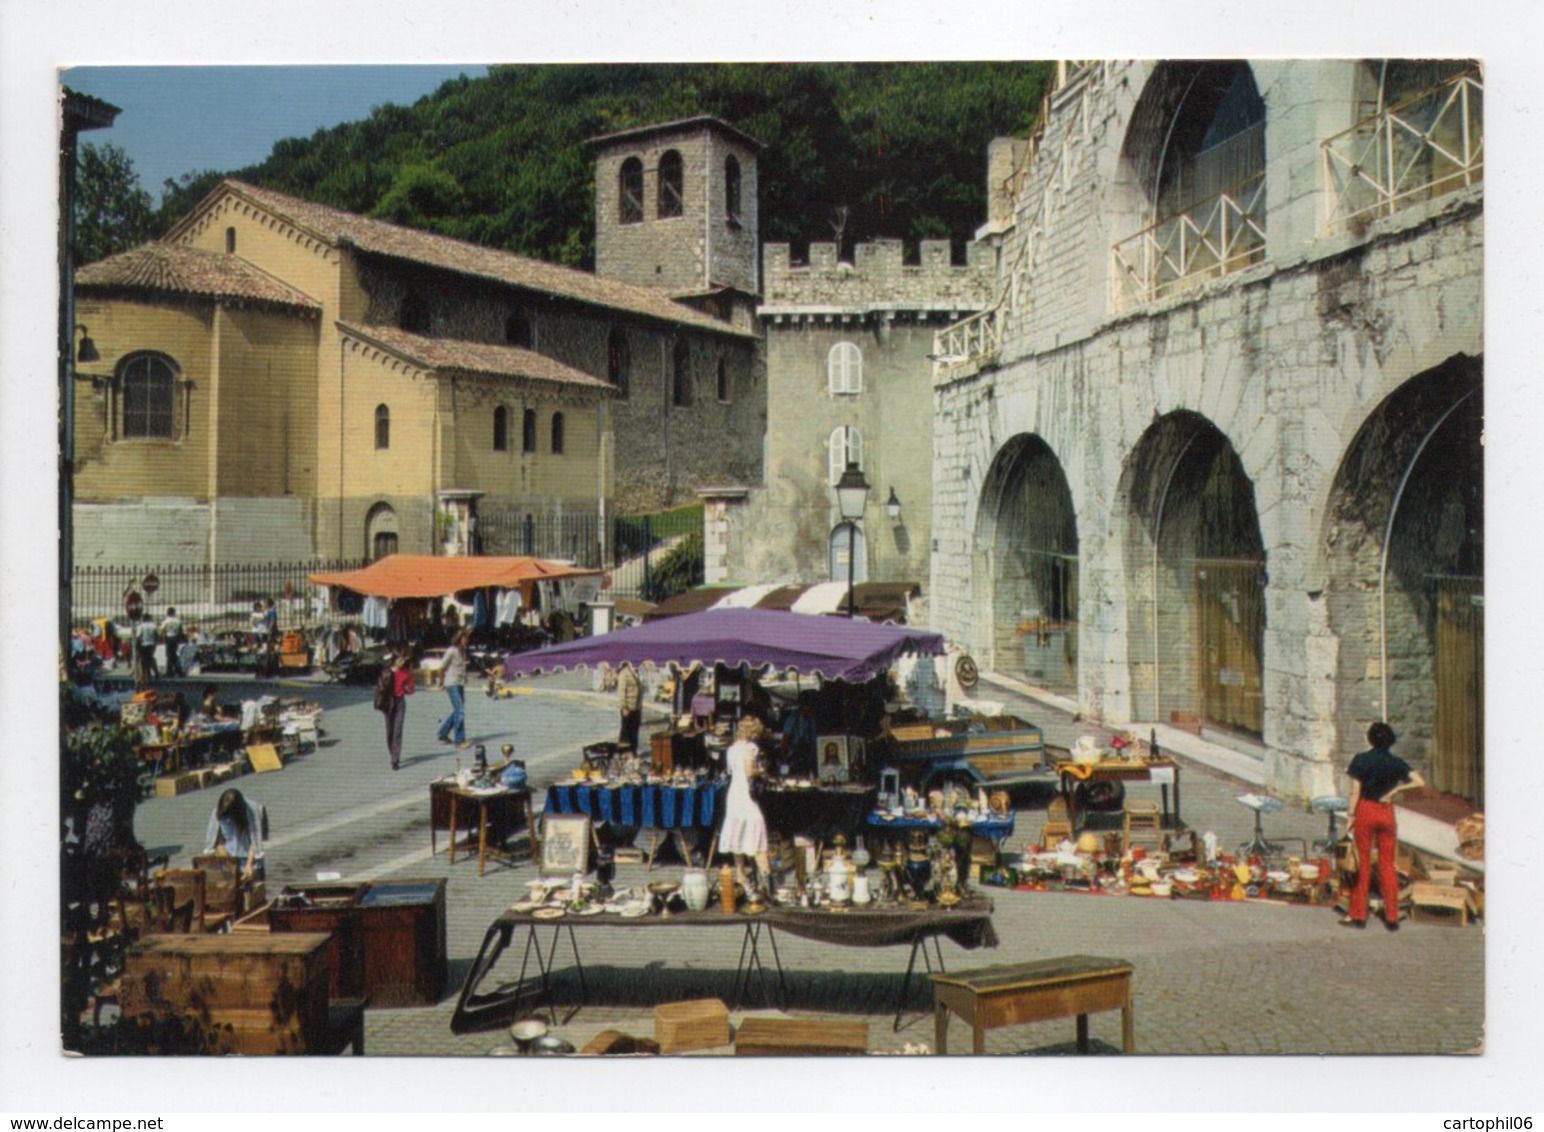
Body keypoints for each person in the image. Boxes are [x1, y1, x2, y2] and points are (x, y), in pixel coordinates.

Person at [1341, 721, 1425, 931]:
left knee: (1363, 864)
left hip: (1365, 810)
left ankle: (1358, 915)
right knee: (1388, 865)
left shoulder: (1361, 760)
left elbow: (1355, 791)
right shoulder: (1396, 762)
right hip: (1386, 812)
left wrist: (1350, 815)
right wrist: (1395, 792)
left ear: (1370, 739)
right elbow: (1419, 782)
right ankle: (1392, 916)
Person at [717, 715, 772, 898]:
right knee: (758, 832)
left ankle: (741, 875)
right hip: (746, 796)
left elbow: (733, 771)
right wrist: (762, 771)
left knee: (737, 832)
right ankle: (766, 879)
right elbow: (749, 771)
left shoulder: (732, 749)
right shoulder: (751, 748)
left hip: (734, 794)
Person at [204, 788, 268, 882]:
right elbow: (216, 842)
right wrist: (228, 862)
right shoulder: (219, 812)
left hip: (251, 861)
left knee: (253, 892)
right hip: (229, 861)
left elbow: (255, 842)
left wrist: (249, 865)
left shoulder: (254, 811)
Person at [376, 648, 416, 771]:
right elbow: (380, 687)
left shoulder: (406, 672)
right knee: (390, 730)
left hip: (399, 702)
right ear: (394, 660)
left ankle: (395, 759)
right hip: (389, 702)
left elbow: (411, 688)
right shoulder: (387, 671)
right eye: (400, 659)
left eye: (403, 659)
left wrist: (407, 689)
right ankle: (392, 751)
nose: (402, 662)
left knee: (397, 731)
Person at [436, 628, 472, 749]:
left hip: (460, 683)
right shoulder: (452, 651)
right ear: (459, 638)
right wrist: (440, 682)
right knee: (460, 709)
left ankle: (442, 733)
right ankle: (460, 740)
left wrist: (465, 677)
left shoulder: (463, 652)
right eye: (464, 638)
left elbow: (461, 667)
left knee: (458, 710)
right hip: (451, 683)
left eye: (467, 638)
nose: (466, 640)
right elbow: (441, 667)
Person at [616, 662, 642, 754]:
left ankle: (633, 751)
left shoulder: (637, 672)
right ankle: (623, 753)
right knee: (625, 731)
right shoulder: (624, 674)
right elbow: (621, 691)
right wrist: (623, 706)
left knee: (634, 731)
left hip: (636, 707)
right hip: (628, 708)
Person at [132, 614, 159, 689]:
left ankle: (144, 677)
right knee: (150, 658)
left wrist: (137, 647)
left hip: (143, 645)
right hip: (151, 644)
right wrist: (155, 643)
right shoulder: (153, 626)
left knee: (143, 661)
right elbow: (157, 636)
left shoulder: (141, 626)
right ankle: (155, 672)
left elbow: (138, 637)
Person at [159, 607, 185, 678]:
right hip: (175, 638)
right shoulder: (178, 621)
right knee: (173, 655)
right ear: (174, 613)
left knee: (169, 655)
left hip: (168, 638)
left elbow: (161, 630)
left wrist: (161, 637)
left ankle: (171, 671)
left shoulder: (166, 621)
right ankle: (176, 670)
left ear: (168, 613)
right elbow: (181, 630)